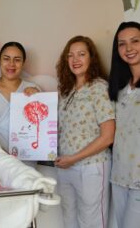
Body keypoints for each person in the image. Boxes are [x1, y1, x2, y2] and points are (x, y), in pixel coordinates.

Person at [55, 35, 115, 228]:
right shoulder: (66, 91)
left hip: (91, 167)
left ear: (91, 58)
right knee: (69, 220)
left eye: (81, 54)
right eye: (70, 55)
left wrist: (74, 158)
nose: (75, 60)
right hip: (65, 166)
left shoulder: (99, 88)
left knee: (92, 222)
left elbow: (108, 136)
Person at [108, 21, 140, 228]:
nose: (128, 49)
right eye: (122, 44)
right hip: (118, 175)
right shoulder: (119, 88)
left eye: (135, 41)